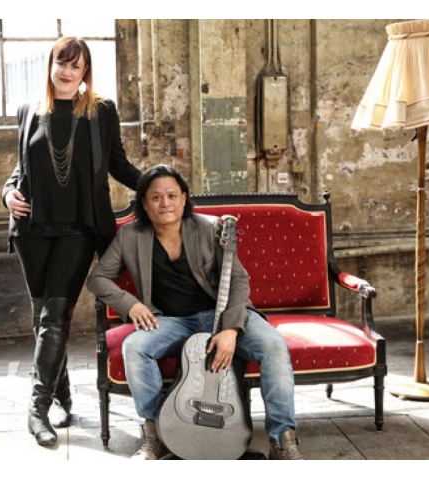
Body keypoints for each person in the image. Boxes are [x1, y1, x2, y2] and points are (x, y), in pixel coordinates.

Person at [86, 164, 305, 462]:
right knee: (135, 347)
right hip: (170, 321)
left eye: (172, 196)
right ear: (144, 203)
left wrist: (230, 330)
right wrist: (131, 304)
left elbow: (238, 280)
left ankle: (282, 442)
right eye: (156, 197)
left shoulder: (209, 228)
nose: (165, 203)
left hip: (220, 314)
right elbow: (97, 279)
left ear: (184, 198)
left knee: (274, 346)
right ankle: (157, 437)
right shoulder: (130, 236)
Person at [2, 36, 142, 447]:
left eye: (75, 65)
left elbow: (117, 164)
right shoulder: (28, 110)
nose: (66, 71)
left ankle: (36, 409)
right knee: (43, 318)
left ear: (85, 72)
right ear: (50, 65)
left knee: (54, 315)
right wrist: (7, 194)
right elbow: (21, 168)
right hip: (31, 228)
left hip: (79, 228)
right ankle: (62, 397)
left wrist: (159, 186)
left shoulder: (101, 111)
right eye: (61, 63)